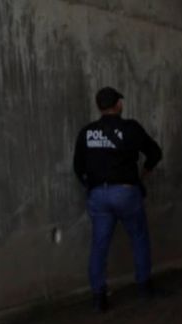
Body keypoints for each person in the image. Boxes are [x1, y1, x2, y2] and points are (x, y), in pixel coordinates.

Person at [73, 87, 162, 312]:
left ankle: (98, 298)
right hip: (126, 192)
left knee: (99, 245)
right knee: (139, 238)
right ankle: (144, 287)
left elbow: (78, 167)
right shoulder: (130, 128)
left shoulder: (87, 132)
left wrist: (93, 188)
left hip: (98, 195)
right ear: (118, 105)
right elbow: (155, 153)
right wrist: (143, 175)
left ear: (99, 106)